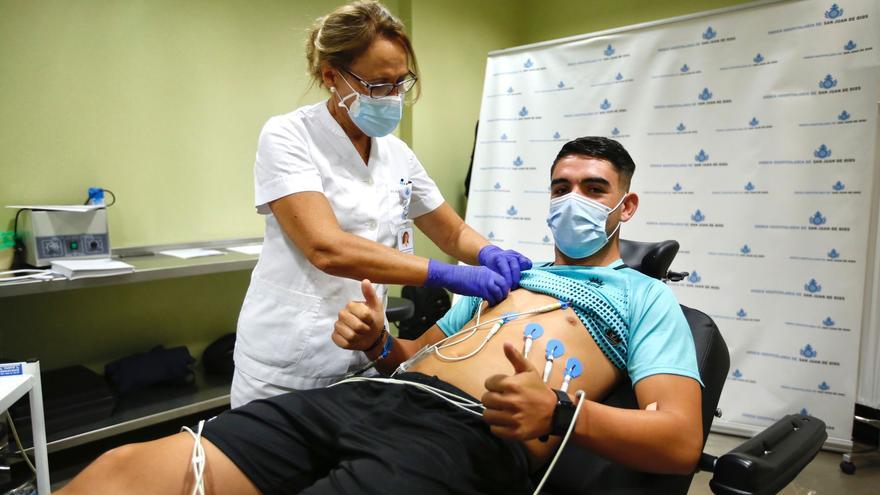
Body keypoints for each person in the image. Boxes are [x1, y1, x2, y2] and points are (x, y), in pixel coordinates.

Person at [57, 137, 703, 495]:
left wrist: (559, 412)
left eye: (594, 189)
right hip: (370, 395)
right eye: (561, 187)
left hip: (468, 436)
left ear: (628, 205)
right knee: (123, 471)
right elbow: (417, 352)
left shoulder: (644, 298)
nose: (573, 200)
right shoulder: (511, 277)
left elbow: (679, 442)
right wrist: (378, 343)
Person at [233, 0, 530, 406]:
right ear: (331, 76)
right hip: (289, 363)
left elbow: (451, 229)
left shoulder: (396, 154)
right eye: (377, 85)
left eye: (399, 83)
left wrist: (487, 252)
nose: (392, 97)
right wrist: (447, 275)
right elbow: (326, 248)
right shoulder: (288, 135)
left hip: (364, 353)